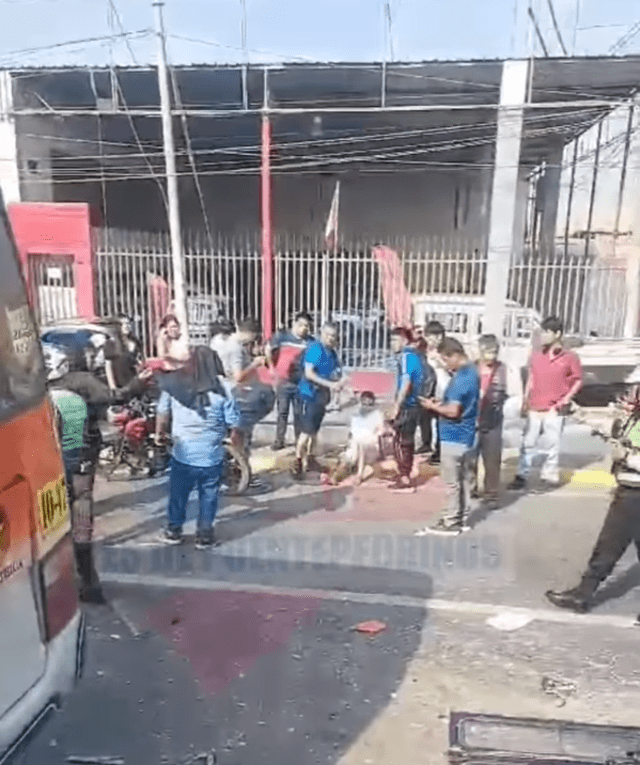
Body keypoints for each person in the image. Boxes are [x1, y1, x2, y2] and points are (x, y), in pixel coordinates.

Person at [44, 343, 151, 603]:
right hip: (80, 464)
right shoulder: (81, 381)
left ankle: (57, 581)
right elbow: (115, 395)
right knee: (81, 523)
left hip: (49, 467)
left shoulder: (31, 390)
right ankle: (89, 584)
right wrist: (139, 383)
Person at [154, 346, 242, 548]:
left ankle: (173, 531)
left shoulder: (175, 383)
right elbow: (234, 424)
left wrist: (160, 435)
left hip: (182, 454)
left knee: (178, 494)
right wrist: (235, 444)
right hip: (212, 455)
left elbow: (162, 412)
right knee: (209, 496)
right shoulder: (224, 387)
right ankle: (204, 535)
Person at [508, 316, 582, 490]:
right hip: (535, 405)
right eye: (542, 332)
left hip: (555, 408)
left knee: (552, 444)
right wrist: (525, 400)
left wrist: (566, 399)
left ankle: (549, 477)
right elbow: (531, 379)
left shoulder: (569, 357)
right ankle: (522, 474)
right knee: (528, 442)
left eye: (546, 332)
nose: (542, 336)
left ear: (557, 334)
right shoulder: (536, 356)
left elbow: (577, 380)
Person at [416, 337, 479, 535]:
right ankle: (460, 517)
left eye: (445, 359)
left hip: (454, 436)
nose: (444, 364)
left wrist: (433, 406)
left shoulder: (461, 379)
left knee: (452, 482)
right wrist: (441, 401)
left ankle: (451, 521)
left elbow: (453, 411)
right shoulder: (471, 373)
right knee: (463, 481)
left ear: (454, 355)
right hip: (467, 435)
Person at [293, 322, 343, 480]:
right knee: (306, 432)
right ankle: (298, 462)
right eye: (329, 335)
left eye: (334, 336)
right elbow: (309, 373)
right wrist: (331, 384)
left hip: (321, 398)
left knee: (314, 431)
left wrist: (340, 383)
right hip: (308, 395)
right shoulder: (316, 349)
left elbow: (335, 374)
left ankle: (311, 459)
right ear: (322, 334)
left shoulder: (332, 353)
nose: (331, 339)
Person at [389, 327, 433, 493]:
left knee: (400, 441)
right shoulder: (416, 356)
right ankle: (405, 473)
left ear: (403, 340)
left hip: (407, 405)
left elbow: (406, 383)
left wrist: (396, 407)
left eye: (394, 340)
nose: (392, 344)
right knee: (407, 440)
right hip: (415, 405)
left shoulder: (407, 357)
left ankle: (404, 477)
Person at [265, 312, 313, 451]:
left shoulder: (309, 342)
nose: (304, 328)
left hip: (300, 382)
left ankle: (299, 441)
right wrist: (272, 368)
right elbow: (268, 349)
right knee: (282, 412)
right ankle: (279, 440)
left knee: (299, 413)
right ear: (294, 324)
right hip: (284, 381)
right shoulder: (282, 337)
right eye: (301, 325)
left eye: (307, 326)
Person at [471, 334, 508, 509]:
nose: (491, 356)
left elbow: (511, 394)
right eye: (488, 352)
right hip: (472, 419)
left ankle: (491, 493)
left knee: (492, 459)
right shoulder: (470, 369)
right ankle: (470, 488)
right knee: (470, 457)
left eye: (495, 352)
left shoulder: (503, 370)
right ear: (480, 351)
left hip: (493, 420)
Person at [327, 391, 387, 486]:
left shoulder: (377, 414)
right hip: (356, 443)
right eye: (364, 402)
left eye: (369, 402)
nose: (366, 404)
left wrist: (377, 435)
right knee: (349, 457)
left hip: (371, 444)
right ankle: (335, 476)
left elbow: (382, 430)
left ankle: (359, 475)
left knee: (361, 445)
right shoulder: (356, 413)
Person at [423, 321, 449, 463]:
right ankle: (433, 447)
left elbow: (453, 367)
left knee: (441, 420)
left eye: (439, 337)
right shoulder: (425, 350)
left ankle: (439, 451)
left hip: (444, 387)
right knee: (432, 420)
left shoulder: (446, 350)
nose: (436, 340)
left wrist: (441, 362)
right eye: (433, 337)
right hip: (432, 387)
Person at [105, 315, 144, 391]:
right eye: (123, 324)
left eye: (128, 323)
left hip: (135, 383)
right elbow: (108, 366)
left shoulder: (135, 342)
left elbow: (140, 361)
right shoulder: (111, 344)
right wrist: (113, 387)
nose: (127, 326)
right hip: (121, 384)